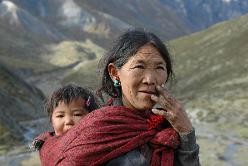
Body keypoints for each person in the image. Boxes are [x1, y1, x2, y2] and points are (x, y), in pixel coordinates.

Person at [38, 29, 200, 166]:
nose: (150, 79)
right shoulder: (97, 129)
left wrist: (186, 133)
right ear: (115, 73)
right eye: (139, 66)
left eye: (159, 67)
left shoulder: (166, 128)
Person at [31, 84, 99, 165]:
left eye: (77, 114)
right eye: (60, 116)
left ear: (92, 116)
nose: (68, 121)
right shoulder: (47, 147)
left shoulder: (98, 140)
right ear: (52, 121)